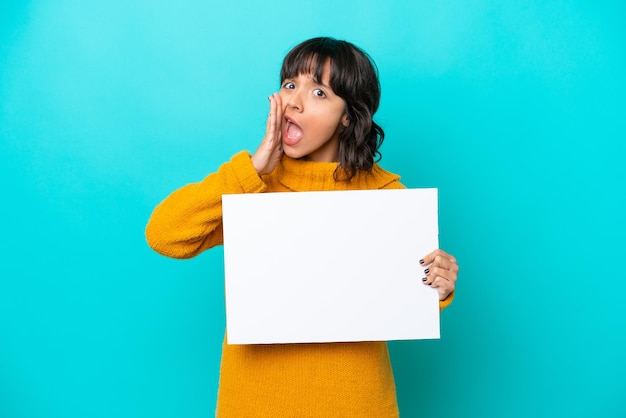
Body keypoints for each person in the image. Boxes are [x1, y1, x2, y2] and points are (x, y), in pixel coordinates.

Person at [146, 37, 459, 418]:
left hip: (357, 405)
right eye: (290, 85)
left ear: (348, 115)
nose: (294, 100)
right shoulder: (252, 185)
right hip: (254, 405)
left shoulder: (385, 193)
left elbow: (407, 300)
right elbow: (165, 234)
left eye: (319, 92)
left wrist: (438, 286)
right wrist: (251, 172)